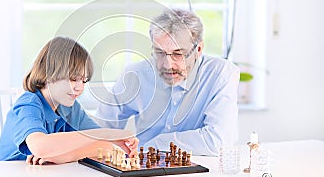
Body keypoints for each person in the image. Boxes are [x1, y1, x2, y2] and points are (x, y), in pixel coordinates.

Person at [95, 9, 239, 156]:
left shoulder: (220, 74)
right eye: (160, 53)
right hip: (143, 172)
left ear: (199, 49)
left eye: (178, 54)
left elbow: (218, 142)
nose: (167, 64)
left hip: (198, 172)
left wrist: (154, 144)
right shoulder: (135, 75)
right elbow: (100, 130)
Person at [0, 36, 138, 164]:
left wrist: (64, 157)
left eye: (84, 81)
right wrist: (107, 134)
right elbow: (40, 147)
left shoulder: (69, 107)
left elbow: (104, 146)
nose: (79, 88)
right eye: (73, 79)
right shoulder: (29, 104)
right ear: (49, 73)